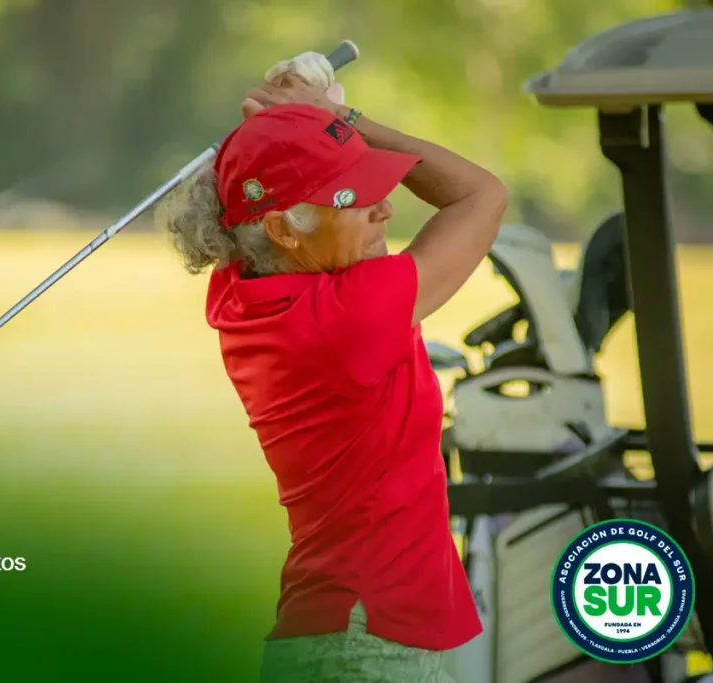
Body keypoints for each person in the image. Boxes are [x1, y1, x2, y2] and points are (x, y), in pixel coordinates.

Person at [154, 53, 507, 683]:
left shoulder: (242, 292)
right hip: (369, 645)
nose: (384, 209)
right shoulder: (349, 317)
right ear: (284, 231)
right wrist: (344, 120)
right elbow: (481, 195)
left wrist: (300, 127)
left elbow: (247, 197)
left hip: (344, 637)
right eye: (354, 197)